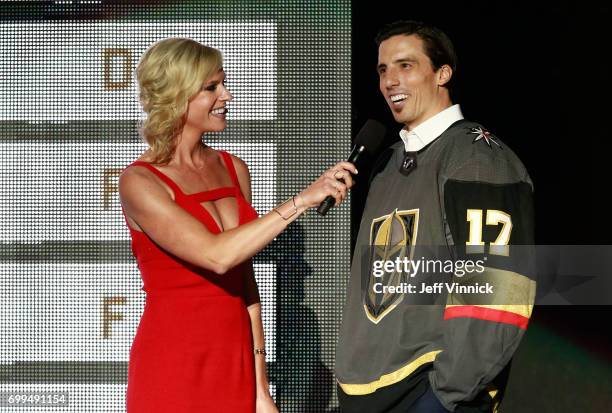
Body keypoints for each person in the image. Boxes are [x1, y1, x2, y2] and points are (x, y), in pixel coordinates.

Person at [119, 38, 356, 413]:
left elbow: (246, 285)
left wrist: (261, 387)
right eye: (212, 87)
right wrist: (300, 201)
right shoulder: (140, 181)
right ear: (177, 96)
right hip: (174, 362)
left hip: (235, 361)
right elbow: (217, 256)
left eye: (223, 83)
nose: (226, 95)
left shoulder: (233, 168)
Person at [336, 21, 536, 412]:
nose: (391, 81)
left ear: (442, 73)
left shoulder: (475, 156)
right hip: (365, 392)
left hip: (428, 392)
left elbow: (499, 288)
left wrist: (448, 393)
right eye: (382, 70)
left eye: (406, 66)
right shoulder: (386, 163)